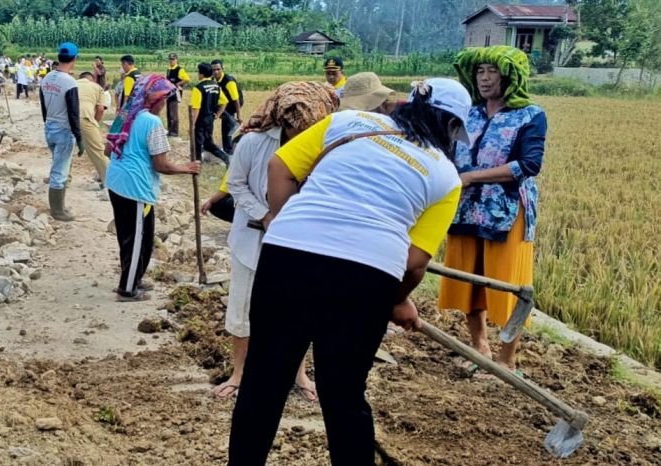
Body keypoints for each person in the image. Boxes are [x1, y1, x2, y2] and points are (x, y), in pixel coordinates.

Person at [227, 78, 472, 465]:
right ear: (452, 127)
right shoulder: (445, 175)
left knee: (263, 382)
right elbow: (414, 261)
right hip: (367, 278)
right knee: (343, 395)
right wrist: (399, 301)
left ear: (409, 104)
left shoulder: (347, 122)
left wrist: (282, 220)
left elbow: (280, 166)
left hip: (288, 256)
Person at [211, 82, 339, 402]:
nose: (302, 137)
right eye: (297, 130)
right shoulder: (253, 142)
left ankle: (298, 373)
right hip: (252, 238)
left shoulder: (325, 147)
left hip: (302, 243)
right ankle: (240, 372)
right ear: (284, 122)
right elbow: (237, 185)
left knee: (300, 309)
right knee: (243, 306)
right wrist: (265, 215)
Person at [438, 46, 547, 377]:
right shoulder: (468, 113)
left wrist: (471, 176)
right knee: (469, 278)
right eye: (479, 72)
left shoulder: (529, 115)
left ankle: (506, 358)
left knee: (506, 283)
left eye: (492, 72)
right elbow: (445, 149)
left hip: (506, 210)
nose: (484, 79)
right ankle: (479, 347)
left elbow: (529, 164)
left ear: (510, 77)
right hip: (465, 207)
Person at [104, 75, 201, 302]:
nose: (165, 105)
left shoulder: (126, 114)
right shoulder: (153, 123)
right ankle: (127, 289)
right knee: (138, 238)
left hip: (116, 182)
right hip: (135, 187)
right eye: (164, 99)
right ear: (157, 100)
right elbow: (161, 164)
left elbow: (108, 150)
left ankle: (134, 277)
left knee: (134, 236)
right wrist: (187, 168)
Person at [40, 42, 82, 222]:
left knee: (58, 166)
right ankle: (58, 211)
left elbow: (43, 106)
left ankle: (60, 206)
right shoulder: (70, 82)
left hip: (49, 127)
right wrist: (79, 138)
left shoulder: (47, 78)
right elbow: (73, 113)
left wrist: (48, 123)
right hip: (64, 130)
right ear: (74, 58)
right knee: (60, 171)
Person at [190, 63, 230, 166]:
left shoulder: (198, 88)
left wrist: (192, 124)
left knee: (198, 144)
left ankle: (197, 164)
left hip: (200, 119)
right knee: (208, 143)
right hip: (210, 119)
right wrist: (217, 114)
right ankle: (225, 157)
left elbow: (196, 108)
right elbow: (224, 101)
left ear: (201, 74)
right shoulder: (215, 85)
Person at [77, 71, 109, 188]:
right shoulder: (97, 87)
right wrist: (94, 122)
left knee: (66, 150)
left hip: (67, 119)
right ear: (91, 79)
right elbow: (100, 109)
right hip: (85, 118)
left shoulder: (72, 84)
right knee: (98, 151)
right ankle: (109, 181)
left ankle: (63, 180)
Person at [211, 59, 242, 155]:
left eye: (218, 69)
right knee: (225, 128)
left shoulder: (229, 82)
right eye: (213, 70)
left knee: (227, 128)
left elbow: (236, 100)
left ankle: (228, 152)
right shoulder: (214, 79)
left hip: (233, 104)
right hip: (224, 103)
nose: (216, 72)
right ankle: (227, 150)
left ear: (222, 69)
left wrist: (239, 116)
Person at [165, 53, 191, 137]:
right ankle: (170, 130)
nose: (171, 61)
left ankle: (174, 132)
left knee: (173, 113)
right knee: (168, 113)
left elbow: (186, 79)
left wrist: (177, 84)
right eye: (170, 59)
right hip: (169, 93)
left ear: (176, 60)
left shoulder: (179, 69)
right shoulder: (169, 69)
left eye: (173, 59)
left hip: (175, 93)